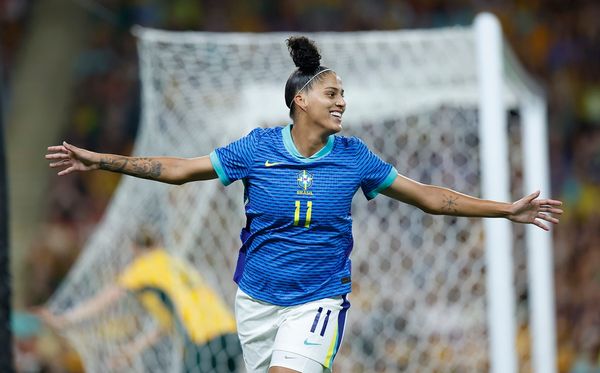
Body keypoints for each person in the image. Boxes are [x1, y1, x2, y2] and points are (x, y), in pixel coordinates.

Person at [46, 36, 563, 373]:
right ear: (301, 101)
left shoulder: (355, 156)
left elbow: (431, 198)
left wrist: (505, 210)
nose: (342, 102)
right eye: (332, 94)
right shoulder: (256, 148)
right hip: (255, 301)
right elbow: (179, 170)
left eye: (343, 94)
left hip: (317, 301)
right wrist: (104, 161)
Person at [37, 230, 242, 373]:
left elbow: (106, 298)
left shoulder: (145, 265)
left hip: (203, 340)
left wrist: (66, 319)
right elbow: (166, 323)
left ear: (135, 249)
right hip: (229, 334)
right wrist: (132, 350)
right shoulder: (175, 264)